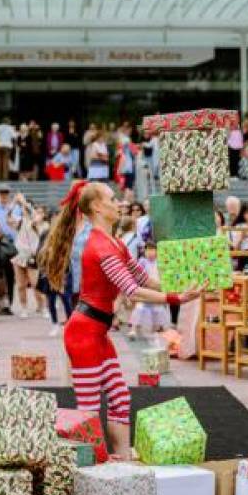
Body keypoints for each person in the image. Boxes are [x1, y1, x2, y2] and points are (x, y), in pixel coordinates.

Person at [38, 181, 202, 459]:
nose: (120, 203)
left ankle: (121, 456)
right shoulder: (100, 246)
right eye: (113, 199)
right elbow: (132, 290)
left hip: (96, 332)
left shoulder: (114, 242)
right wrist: (176, 299)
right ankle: (94, 467)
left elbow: (143, 278)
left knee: (120, 396)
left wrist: (182, 287)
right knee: (88, 408)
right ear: (97, 207)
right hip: (84, 334)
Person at [128, 243, 171, 340]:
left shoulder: (160, 262)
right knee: (139, 309)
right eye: (148, 250)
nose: (150, 252)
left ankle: (163, 330)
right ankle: (133, 330)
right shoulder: (142, 262)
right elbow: (137, 275)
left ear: (156, 251)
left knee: (158, 310)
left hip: (156, 290)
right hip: (145, 290)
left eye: (152, 250)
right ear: (144, 251)